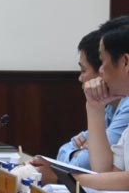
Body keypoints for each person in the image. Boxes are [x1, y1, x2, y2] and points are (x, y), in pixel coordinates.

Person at [55, 28, 129, 169]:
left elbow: (89, 167)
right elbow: (105, 172)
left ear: (125, 62)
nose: (101, 71)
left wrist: (65, 177)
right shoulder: (111, 106)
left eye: (102, 61)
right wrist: (94, 108)